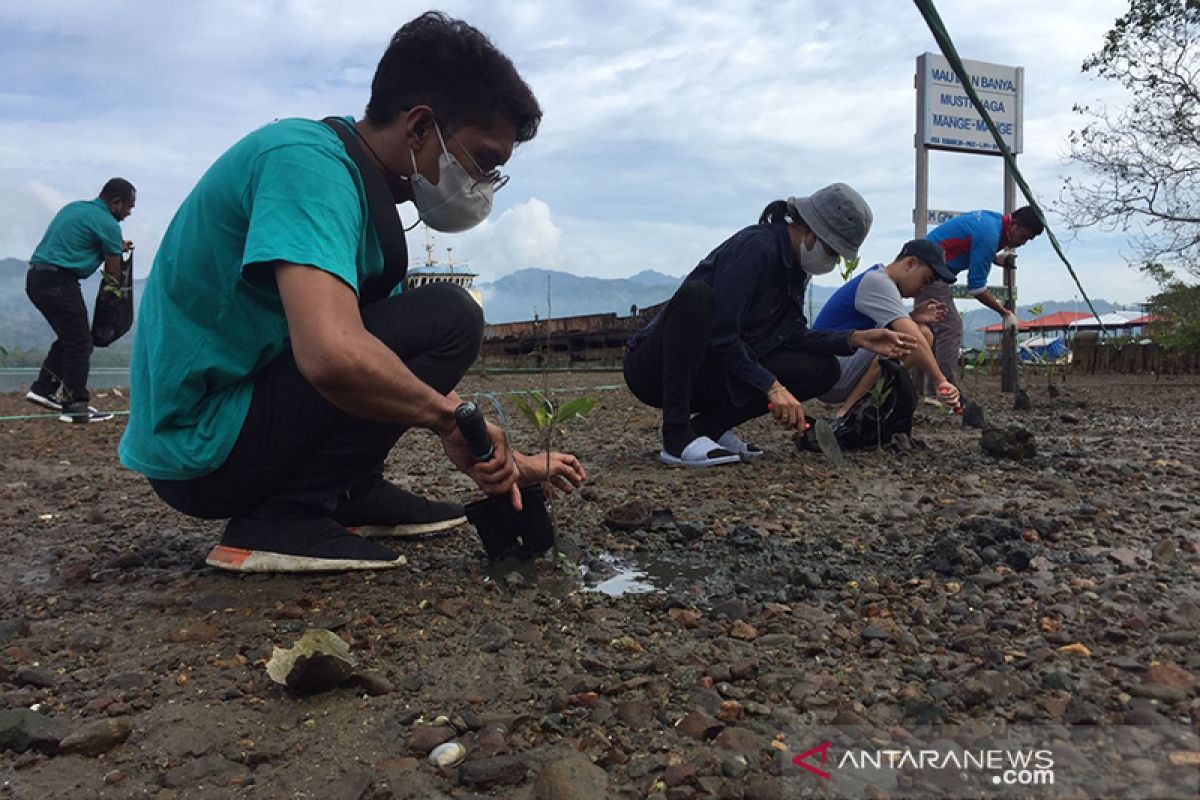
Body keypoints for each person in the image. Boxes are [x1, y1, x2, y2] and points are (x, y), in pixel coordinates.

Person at [118, 12, 585, 573]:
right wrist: (451, 418)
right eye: (483, 161)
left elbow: (374, 349)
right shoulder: (306, 165)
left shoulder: (367, 201)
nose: (484, 184)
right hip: (200, 450)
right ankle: (283, 518)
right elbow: (332, 353)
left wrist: (504, 455)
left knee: (435, 319)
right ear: (418, 127)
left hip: (245, 422)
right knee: (451, 315)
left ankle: (345, 494)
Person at [623, 184, 916, 467]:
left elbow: (792, 335)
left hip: (710, 371)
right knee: (696, 297)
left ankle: (707, 428)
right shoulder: (757, 247)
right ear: (810, 231)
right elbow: (721, 334)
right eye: (832, 251)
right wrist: (771, 386)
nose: (832, 261)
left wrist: (855, 338)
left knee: (824, 369)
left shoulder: (796, 271)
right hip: (656, 370)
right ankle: (676, 437)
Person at [25, 178, 135, 423]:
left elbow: (81, 240)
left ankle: (43, 389)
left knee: (71, 337)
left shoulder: (75, 208)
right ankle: (75, 404)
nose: (129, 212)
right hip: (59, 282)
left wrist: (116, 246)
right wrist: (115, 300)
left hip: (36, 278)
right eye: (129, 206)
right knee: (81, 342)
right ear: (116, 202)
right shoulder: (108, 223)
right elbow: (113, 272)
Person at [812, 239, 961, 417]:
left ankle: (864, 408)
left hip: (836, 370)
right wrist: (940, 381)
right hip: (829, 371)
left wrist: (912, 317)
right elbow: (911, 337)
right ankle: (849, 411)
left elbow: (873, 330)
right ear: (910, 264)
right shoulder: (877, 282)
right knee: (920, 335)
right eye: (925, 280)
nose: (923, 289)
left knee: (917, 334)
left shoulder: (878, 280)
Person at [917, 206, 1044, 394]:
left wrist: (996, 260)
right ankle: (943, 390)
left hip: (924, 263)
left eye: (1028, 240)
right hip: (928, 271)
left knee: (932, 328)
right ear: (1015, 224)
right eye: (1023, 236)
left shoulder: (994, 222)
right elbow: (976, 288)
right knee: (950, 327)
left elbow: (972, 242)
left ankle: (929, 390)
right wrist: (1005, 313)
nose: (1022, 243)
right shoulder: (990, 235)